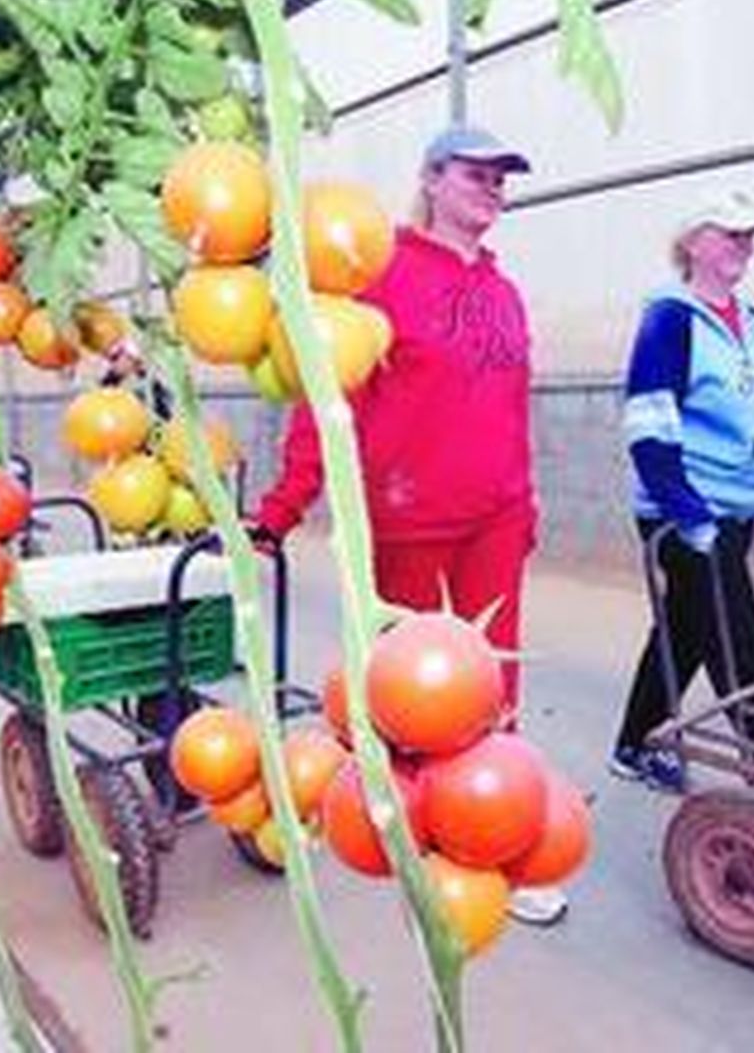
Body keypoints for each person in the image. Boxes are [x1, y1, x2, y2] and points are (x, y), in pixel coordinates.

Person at [251, 125, 566, 925]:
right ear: (431, 178)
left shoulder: (505, 290)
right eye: (476, 174)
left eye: (502, 179)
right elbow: (331, 396)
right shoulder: (380, 272)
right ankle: (417, 840)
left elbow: (513, 410)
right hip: (408, 520)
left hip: (495, 519)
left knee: (494, 687)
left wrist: (525, 504)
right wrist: (282, 507)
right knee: (420, 698)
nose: (491, 189)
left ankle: (494, 842)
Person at [610, 190, 754, 794]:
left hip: (736, 509)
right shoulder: (670, 318)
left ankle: (635, 745)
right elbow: (648, 423)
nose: (744, 245)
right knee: (736, 636)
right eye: (730, 233)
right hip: (682, 511)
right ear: (692, 243)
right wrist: (690, 514)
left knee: (687, 628)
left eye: (751, 236)